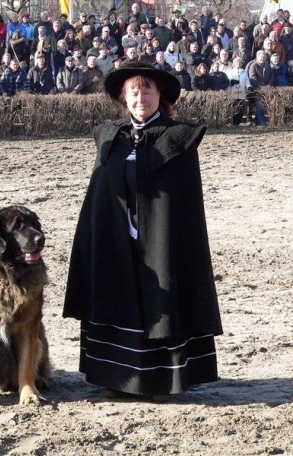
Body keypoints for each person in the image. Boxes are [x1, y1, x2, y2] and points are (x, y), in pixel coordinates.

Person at [63, 61, 222, 400]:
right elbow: (100, 197)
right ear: (124, 97)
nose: (140, 98)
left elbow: (185, 206)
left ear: (159, 94)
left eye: (147, 90)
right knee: (117, 299)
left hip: (161, 242)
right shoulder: (110, 138)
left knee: (160, 301)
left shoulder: (178, 140)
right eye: (133, 92)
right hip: (118, 241)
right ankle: (118, 379)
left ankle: (161, 382)